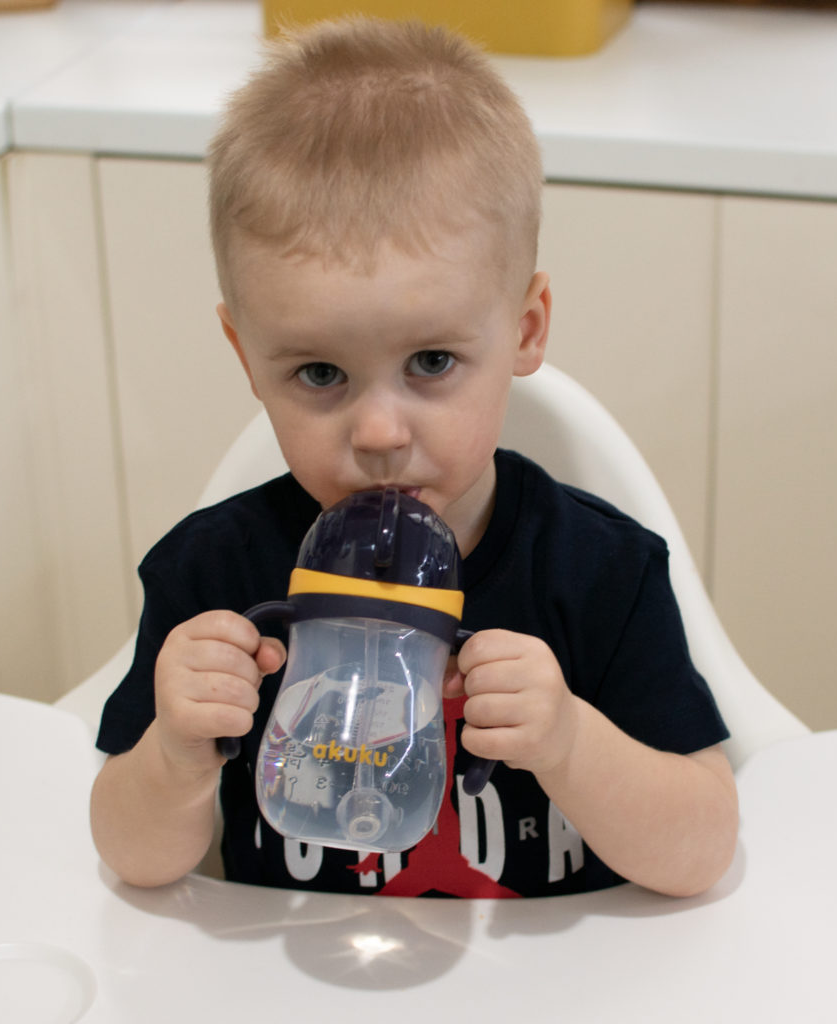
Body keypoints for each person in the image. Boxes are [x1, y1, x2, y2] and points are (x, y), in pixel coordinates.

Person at [90, 17, 738, 898]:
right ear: (247, 357)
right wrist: (173, 752)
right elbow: (132, 859)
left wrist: (572, 744)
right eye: (320, 373)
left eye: (431, 363)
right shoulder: (213, 574)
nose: (380, 432)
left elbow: (702, 854)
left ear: (525, 329)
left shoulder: (601, 575)